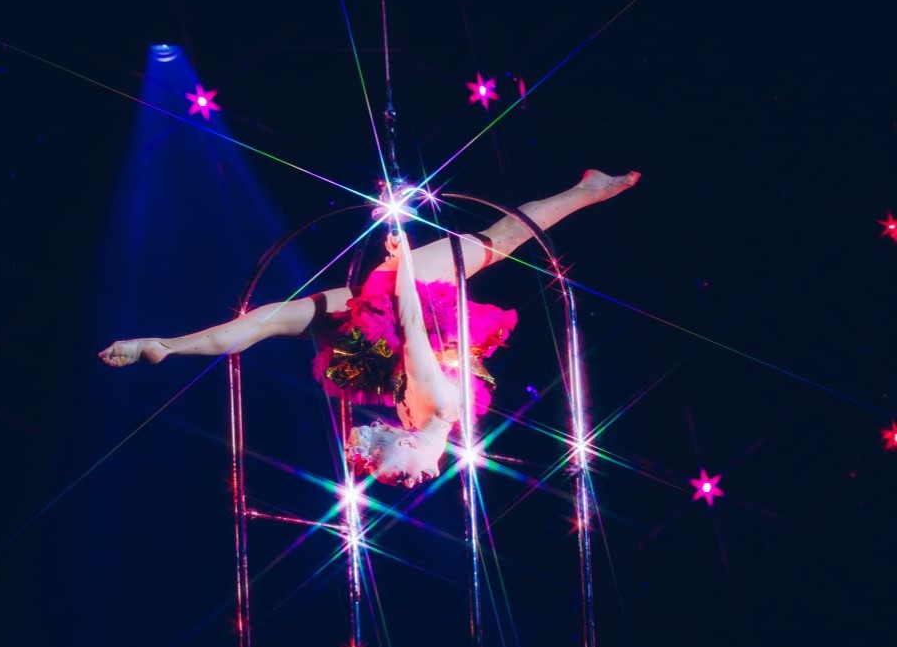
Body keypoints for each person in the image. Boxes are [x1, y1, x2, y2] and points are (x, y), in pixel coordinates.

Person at [99, 169, 640, 487]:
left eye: (398, 475)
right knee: (499, 240)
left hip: (391, 322)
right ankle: (163, 345)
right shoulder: (440, 407)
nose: (411, 478)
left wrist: (401, 266)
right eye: (402, 475)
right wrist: (402, 264)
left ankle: (165, 346)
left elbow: (404, 328)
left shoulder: (430, 421)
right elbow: (411, 325)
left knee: (275, 321)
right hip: (401, 311)